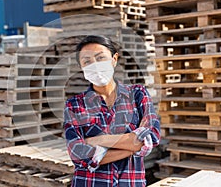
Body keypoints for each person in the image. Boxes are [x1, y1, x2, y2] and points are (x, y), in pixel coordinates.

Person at [64, 35, 160, 187]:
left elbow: (152, 137)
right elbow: (78, 156)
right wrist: (134, 145)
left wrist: (99, 141)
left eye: (100, 58)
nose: (95, 65)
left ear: (114, 59)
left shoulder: (137, 94)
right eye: (87, 61)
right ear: (81, 68)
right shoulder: (74, 105)